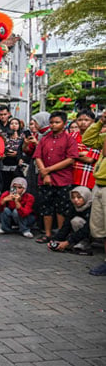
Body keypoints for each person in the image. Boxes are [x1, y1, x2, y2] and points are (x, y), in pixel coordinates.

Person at [34, 111, 79, 243]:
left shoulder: (70, 139)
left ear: (65, 124)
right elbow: (37, 156)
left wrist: (48, 170)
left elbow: (71, 159)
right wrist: (45, 173)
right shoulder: (45, 139)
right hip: (45, 179)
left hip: (63, 179)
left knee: (62, 208)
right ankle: (47, 234)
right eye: (51, 122)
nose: (53, 125)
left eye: (57, 122)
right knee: (46, 206)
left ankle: (60, 235)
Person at [80, 112, 106, 276]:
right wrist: (99, 122)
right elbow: (88, 140)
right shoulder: (104, 136)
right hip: (99, 185)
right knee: (101, 229)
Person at [47, 186, 93, 255]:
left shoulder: (93, 208)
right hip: (81, 232)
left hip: (94, 232)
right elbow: (66, 225)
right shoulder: (73, 207)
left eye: (79, 197)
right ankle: (78, 241)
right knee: (73, 221)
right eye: (73, 197)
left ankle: (85, 242)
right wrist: (55, 240)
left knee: (76, 221)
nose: (76, 200)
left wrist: (68, 242)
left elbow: (87, 228)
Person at [70, 110, 99, 189]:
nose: (83, 122)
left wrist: (71, 154)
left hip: (87, 179)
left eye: (86, 120)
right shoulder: (71, 136)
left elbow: (89, 159)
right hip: (70, 178)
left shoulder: (96, 138)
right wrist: (82, 153)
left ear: (93, 122)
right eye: (80, 120)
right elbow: (62, 153)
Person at [0, 117, 25, 193]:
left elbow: (24, 149)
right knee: (6, 184)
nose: (14, 125)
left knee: (16, 184)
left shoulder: (22, 136)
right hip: (5, 162)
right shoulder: (4, 135)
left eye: (16, 124)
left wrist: (17, 154)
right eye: (12, 123)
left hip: (17, 163)